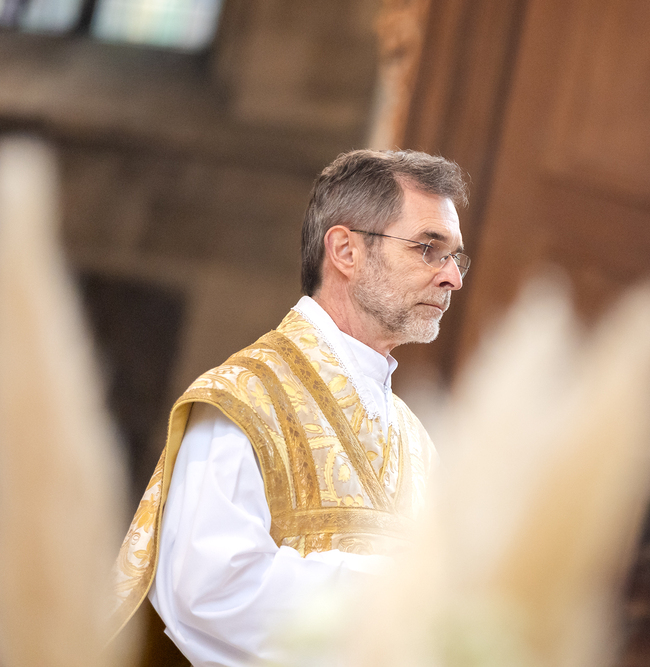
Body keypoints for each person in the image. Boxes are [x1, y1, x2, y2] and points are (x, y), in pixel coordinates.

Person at [110, 149, 469, 665]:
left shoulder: (417, 441)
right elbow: (211, 591)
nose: (452, 277)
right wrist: (394, 597)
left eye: (455, 257)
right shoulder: (243, 398)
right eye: (428, 248)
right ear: (345, 250)